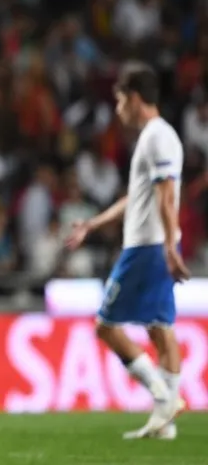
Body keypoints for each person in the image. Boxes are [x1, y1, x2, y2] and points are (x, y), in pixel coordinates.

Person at [66, 62, 187, 439]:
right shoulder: (157, 137)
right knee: (159, 328)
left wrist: (167, 245)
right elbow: (138, 195)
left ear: (134, 99)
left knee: (106, 326)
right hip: (154, 242)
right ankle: (164, 423)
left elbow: (166, 197)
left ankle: (164, 397)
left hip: (147, 246)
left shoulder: (156, 137)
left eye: (119, 101)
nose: (117, 110)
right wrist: (93, 224)